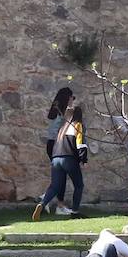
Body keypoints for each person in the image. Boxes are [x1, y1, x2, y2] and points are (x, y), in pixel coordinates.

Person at [33, 101, 87, 221]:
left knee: (55, 186)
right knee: (79, 185)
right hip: (69, 158)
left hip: (56, 158)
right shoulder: (77, 125)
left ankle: (42, 204)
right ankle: (75, 211)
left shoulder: (62, 128)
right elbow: (80, 145)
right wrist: (84, 159)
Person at [42, 87, 74, 215]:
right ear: (68, 98)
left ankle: (47, 199)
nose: (73, 100)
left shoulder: (54, 112)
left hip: (51, 144)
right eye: (72, 97)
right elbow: (61, 132)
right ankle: (55, 203)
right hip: (57, 145)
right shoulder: (63, 113)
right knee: (61, 176)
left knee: (60, 175)